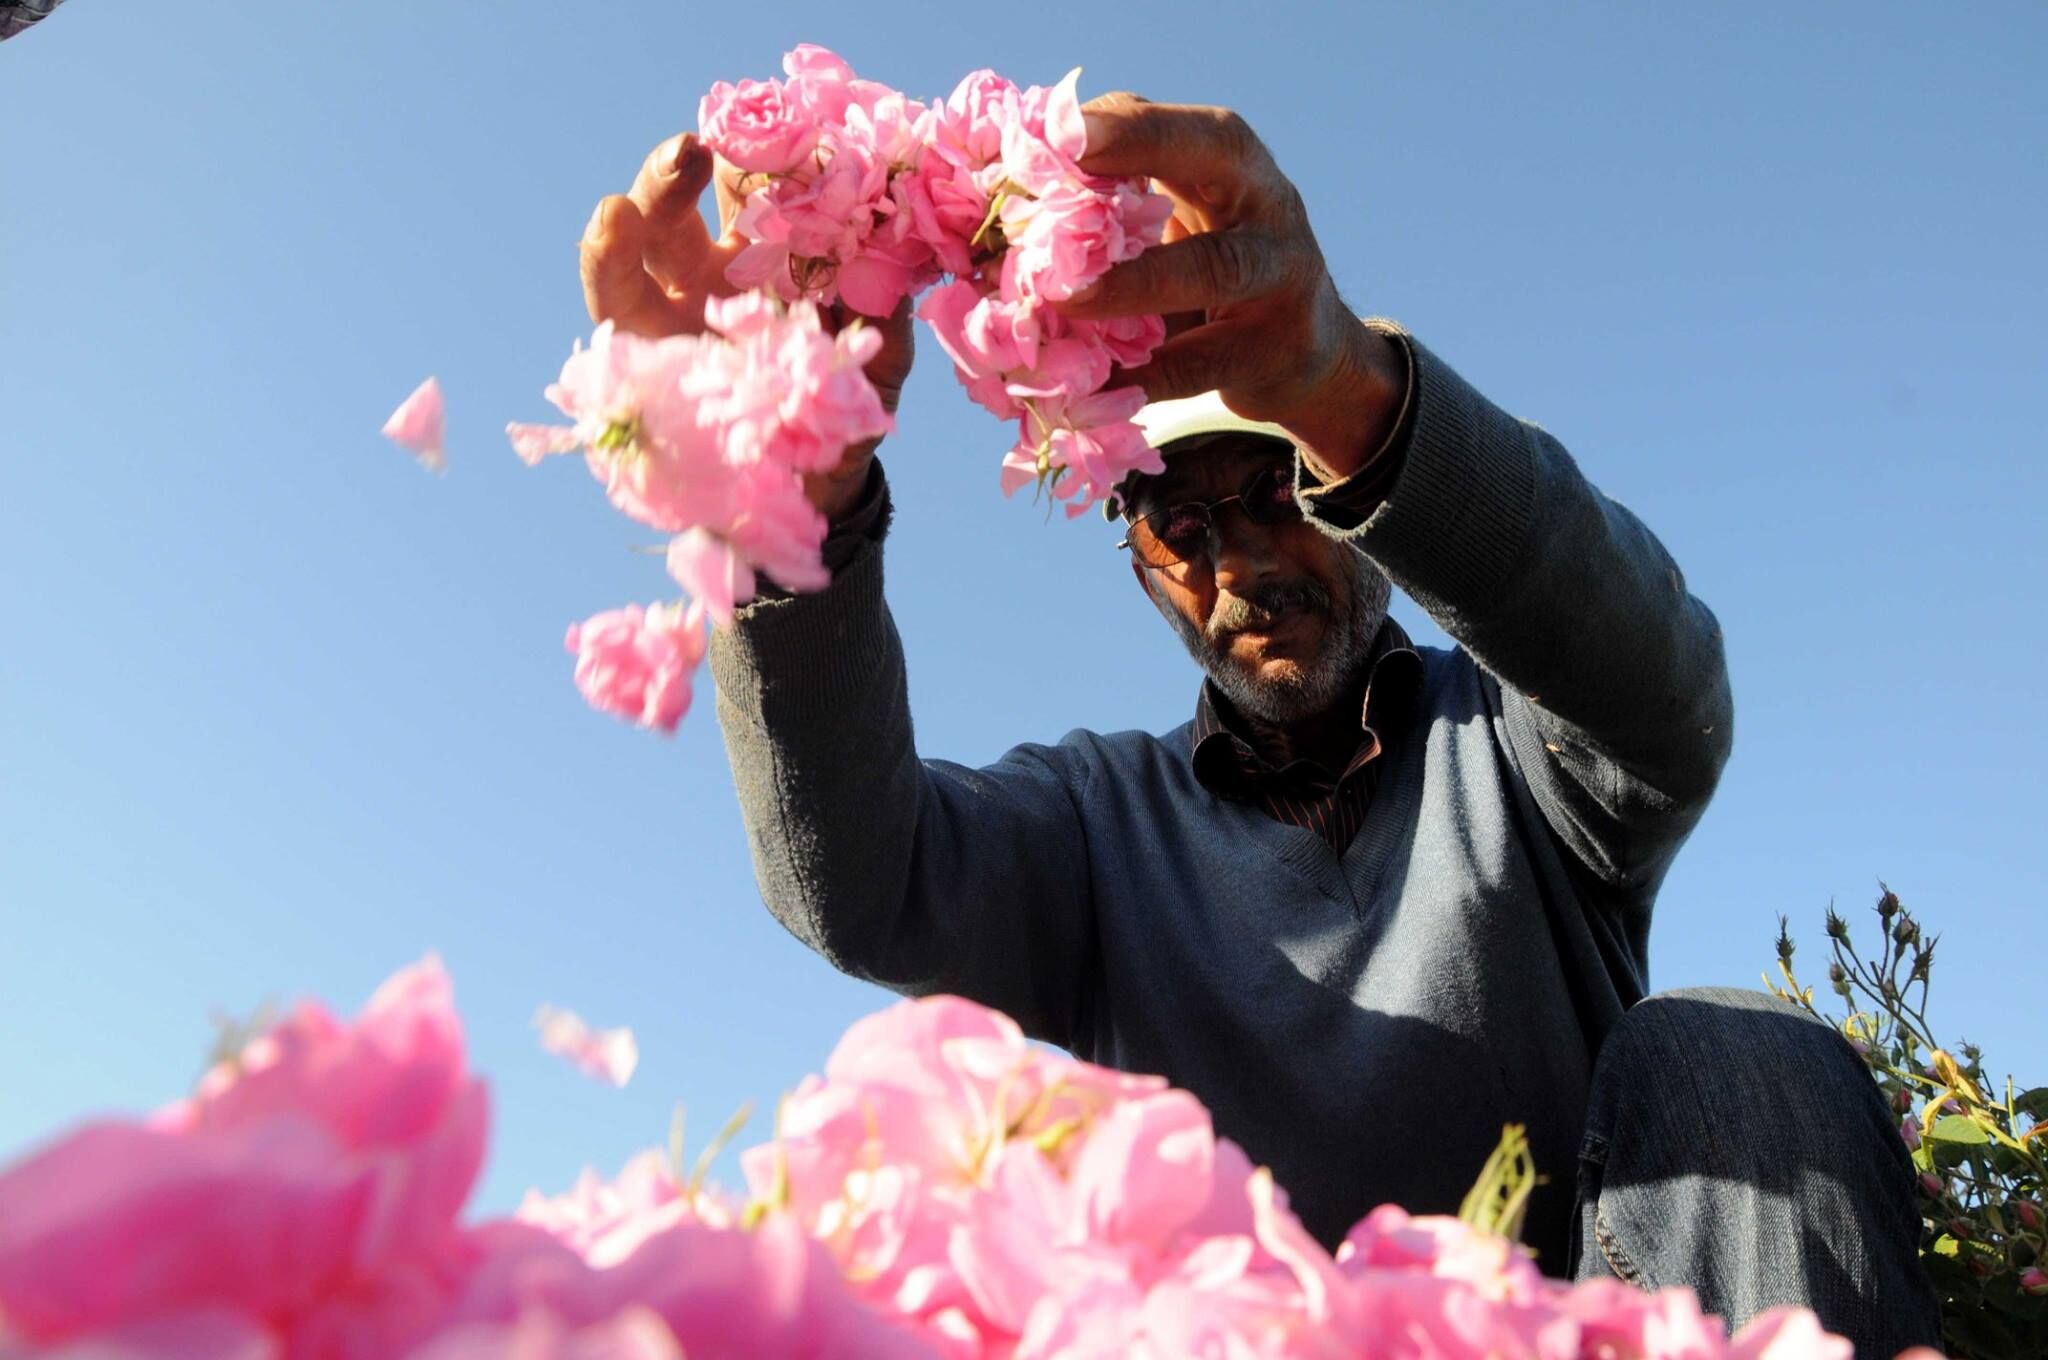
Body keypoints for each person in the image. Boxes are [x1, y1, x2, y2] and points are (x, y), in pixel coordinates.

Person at [578, 94, 1941, 1353]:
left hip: (1590, 1326)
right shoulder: (1095, 828)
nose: (1237, 560)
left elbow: (1666, 699)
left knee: (1731, 1056)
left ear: (1352, 492)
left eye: (1276, 485)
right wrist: (789, 505)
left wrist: (1351, 384)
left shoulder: (1519, 748)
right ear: (1133, 553)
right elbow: (858, 883)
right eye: (1177, 518)